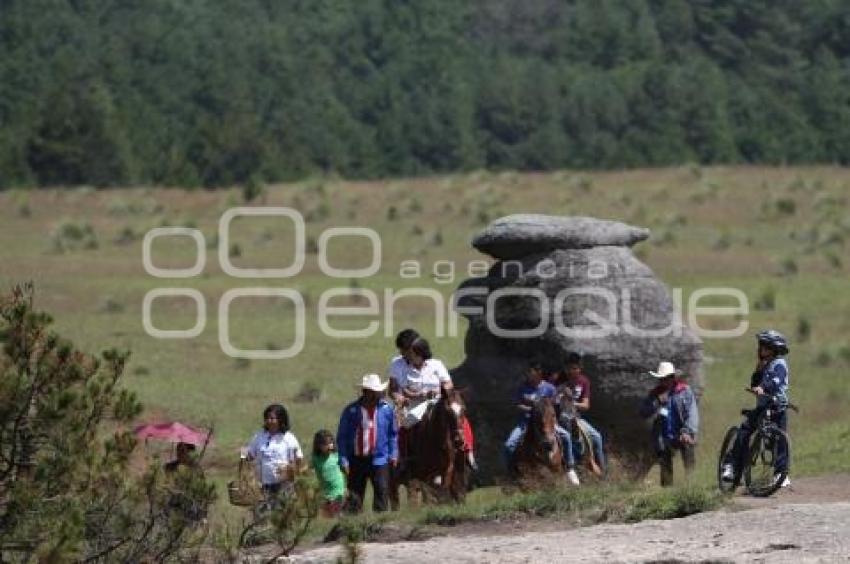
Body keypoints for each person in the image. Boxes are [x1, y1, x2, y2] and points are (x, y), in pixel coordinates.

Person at [722, 330, 791, 487]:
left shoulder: (780, 364)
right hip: (762, 407)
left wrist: (763, 387)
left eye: (764, 347)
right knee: (743, 432)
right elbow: (754, 384)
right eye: (761, 347)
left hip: (777, 407)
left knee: (781, 440)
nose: (760, 349)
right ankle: (731, 465)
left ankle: (781, 473)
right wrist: (758, 372)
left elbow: (776, 381)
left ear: (773, 349)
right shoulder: (764, 365)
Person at [504, 360, 580, 486]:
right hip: (526, 421)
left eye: (531, 372)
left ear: (539, 373)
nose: (528, 374)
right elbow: (518, 405)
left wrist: (547, 412)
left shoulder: (549, 388)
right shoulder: (523, 387)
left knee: (565, 436)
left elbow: (555, 405)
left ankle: (570, 467)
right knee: (509, 445)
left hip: (548, 422)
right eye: (528, 372)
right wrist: (533, 410)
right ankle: (511, 475)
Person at [337, 374, 399, 513]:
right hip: (357, 459)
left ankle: (381, 526)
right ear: (367, 392)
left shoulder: (386, 410)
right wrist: (343, 459)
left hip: (380, 459)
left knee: (381, 492)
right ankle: (352, 525)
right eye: (376, 392)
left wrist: (393, 453)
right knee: (355, 496)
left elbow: (392, 434)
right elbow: (342, 437)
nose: (380, 395)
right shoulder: (351, 411)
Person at [639, 361, 699, 487]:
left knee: (688, 452)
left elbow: (692, 414)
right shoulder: (655, 394)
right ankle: (667, 489)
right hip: (664, 436)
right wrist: (656, 402)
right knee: (664, 460)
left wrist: (687, 431)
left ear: (672, 378)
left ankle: (692, 485)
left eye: (665, 379)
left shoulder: (685, 391)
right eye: (661, 379)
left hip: (682, 432)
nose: (662, 382)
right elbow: (643, 412)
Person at [557, 353, 606, 474]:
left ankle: (601, 470)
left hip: (576, 417)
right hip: (559, 418)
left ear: (580, 368)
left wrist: (571, 402)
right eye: (569, 368)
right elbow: (552, 401)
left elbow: (586, 405)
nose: (572, 371)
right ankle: (569, 467)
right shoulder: (558, 380)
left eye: (575, 368)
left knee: (597, 437)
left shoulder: (583, 381)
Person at [389, 335, 453, 427]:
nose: (409, 356)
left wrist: (439, 391)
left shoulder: (437, 365)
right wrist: (420, 395)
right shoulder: (405, 368)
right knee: (407, 423)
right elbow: (405, 391)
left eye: (412, 354)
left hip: (437, 405)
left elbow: (449, 384)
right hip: (415, 407)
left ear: (420, 354)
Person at [244, 403, 304, 496]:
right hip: (264, 485)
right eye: (267, 418)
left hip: (284, 486)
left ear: (280, 420)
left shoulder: (289, 438)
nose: (269, 421)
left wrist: (292, 472)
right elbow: (249, 454)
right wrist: (242, 456)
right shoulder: (259, 436)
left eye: (272, 418)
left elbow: (299, 459)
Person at [311, 429, 346, 518]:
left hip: (338, 489)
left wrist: (345, 465)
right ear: (319, 446)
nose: (329, 446)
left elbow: (344, 468)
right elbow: (309, 469)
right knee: (326, 515)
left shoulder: (335, 455)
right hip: (325, 491)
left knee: (337, 512)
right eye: (326, 444)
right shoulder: (316, 458)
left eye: (331, 443)